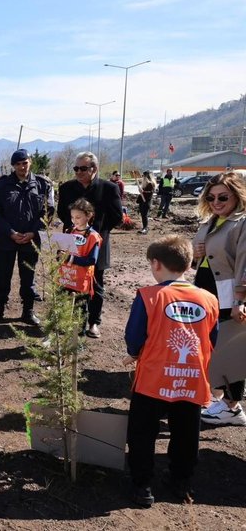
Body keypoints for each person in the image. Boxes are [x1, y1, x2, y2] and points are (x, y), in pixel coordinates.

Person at [123, 235, 219, 507]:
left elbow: (135, 335)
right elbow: (212, 339)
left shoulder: (149, 295)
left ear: (155, 264)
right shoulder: (208, 298)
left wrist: (133, 354)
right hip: (191, 380)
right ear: (188, 265)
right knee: (187, 433)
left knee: (142, 432)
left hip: (154, 378)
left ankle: (142, 486)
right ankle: (181, 481)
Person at [190, 172, 246, 425]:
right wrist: (196, 253)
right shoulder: (210, 222)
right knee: (211, 346)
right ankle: (218, 399)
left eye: (223, 196)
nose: (216, 201)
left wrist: (240, 300)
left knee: (231, 350)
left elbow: (244, 264)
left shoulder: (241, 223)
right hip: (205, 292)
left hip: (227, 295)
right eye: (211, 197)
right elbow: (198, 261)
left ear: (237, 195)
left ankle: (232, 407)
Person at [57, 152, 123, 338]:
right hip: (72, 241)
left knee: (95, 285)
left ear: (94, 169)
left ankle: (93, 323)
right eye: (76, 168)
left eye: (83, 168)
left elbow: (117, 216)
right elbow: (62, 212)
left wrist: (97, 232)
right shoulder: (67, 188)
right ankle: (68, 321)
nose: (78, 172)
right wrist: (77, 228)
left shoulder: (108, 188)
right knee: (69, 282)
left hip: (96, 244)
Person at [0, 149, 52, 325]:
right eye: (18, 164)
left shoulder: (41, 184)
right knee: (2, 275)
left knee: (28, 276)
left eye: (25, 162)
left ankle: (28, 311)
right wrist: (11, 232)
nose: (22, 167)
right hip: (6, 239)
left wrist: (33, 232)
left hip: (31, 239)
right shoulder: (2, 184)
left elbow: (48, 212)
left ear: (30, 162)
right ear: (13, 166)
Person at [57, 199, 102, 333]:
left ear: (88, 216)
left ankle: (78, 339)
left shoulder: (94, 236)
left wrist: (71, 257)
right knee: (63, 304)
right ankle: (62, 334)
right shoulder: (70, 231)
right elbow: (62, 251)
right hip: (66, 275)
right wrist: (60, 254)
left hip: (82, 278)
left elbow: (92, 260)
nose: (74, 220)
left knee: (80, 308)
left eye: (78, 217)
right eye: (72, 217)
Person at [136, 170, 156, 235]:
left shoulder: (151, 184)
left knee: (144, 215)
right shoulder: (145, 184)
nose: (142, 177)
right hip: (142, 201)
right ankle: (144, 227)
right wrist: (141, 191)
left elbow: (150, 193)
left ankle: (145, 228)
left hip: (146, 201)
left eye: (143, 176)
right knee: (143, 215)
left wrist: (143, 192)